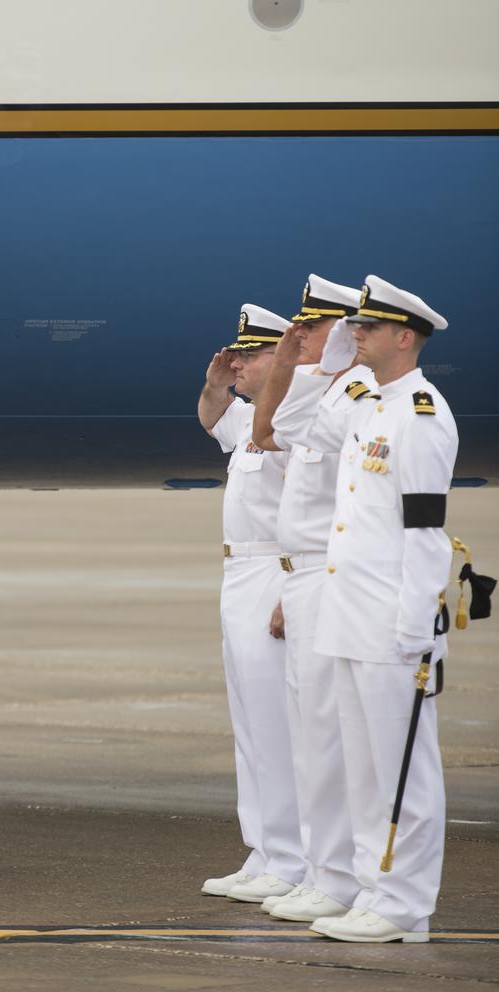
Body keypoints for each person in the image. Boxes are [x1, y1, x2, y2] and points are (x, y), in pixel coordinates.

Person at [269, 276, 455, 943]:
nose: (357, 335)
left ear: (404, 336)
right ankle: (373, 892)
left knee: (402, 767)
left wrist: (414, 627)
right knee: (364, 765)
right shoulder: (371, 404)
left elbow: (423, 530)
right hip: (349, 611)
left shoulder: (421, 414)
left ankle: (405, 904)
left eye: (369, 329)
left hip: (389, 618)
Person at [248, 276, 376, 924]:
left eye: (311, 327)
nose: (297, 337)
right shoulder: (323, 391)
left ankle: (338, 877)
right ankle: (322, 872)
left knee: (329, 739)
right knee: (310, 740)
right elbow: (266, 428)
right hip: (300, 578)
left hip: (329, 577)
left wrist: (304, 362)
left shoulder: (359, 395)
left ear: (344, 330)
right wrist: (289, 362)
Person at [197, 305, 305, 904]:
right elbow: (214, 419)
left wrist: (293, 591)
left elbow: (312, 514)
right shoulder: (256, 417)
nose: (236, 362)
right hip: (239, 571)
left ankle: (291, 859)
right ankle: (263, 850)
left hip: (273, 570)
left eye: (248, 355)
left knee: (275, 724)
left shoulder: (292, 422)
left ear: (280, 357)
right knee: (249, 725)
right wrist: (216, 384)